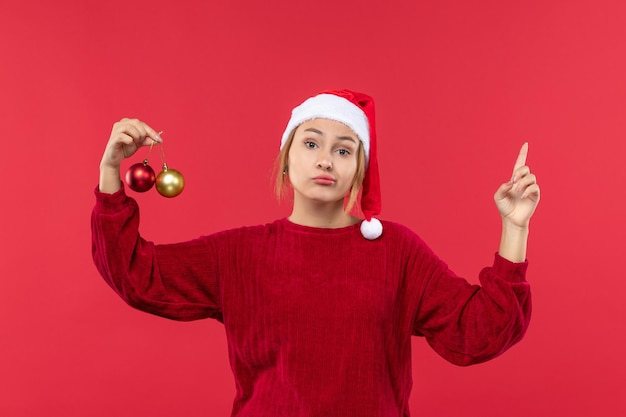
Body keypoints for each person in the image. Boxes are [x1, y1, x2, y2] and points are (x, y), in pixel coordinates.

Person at [92, 89, 540, 417]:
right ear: (287, 157)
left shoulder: (396, 251)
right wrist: (111, 170)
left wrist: (514, 226)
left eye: (343, 150)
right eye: (311, 143)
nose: (326, 160)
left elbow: (479, 332)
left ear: (358, 169)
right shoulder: (240, 254)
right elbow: (136, 275)